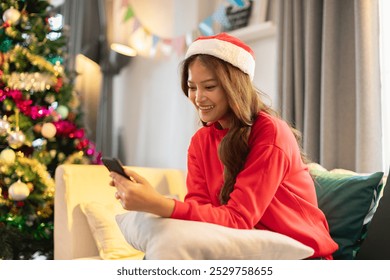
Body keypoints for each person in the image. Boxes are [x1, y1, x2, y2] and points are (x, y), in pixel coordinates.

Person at [110, 32, 338, 259]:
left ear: (234, 86)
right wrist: (150, 201)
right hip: (242, 250)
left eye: (209, 87)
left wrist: (159, 204)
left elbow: (238, 219)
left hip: (304, 257)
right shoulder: (200, 142)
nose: (198, 98)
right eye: (192, 87)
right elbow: (200, 216)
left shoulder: (270, 132)